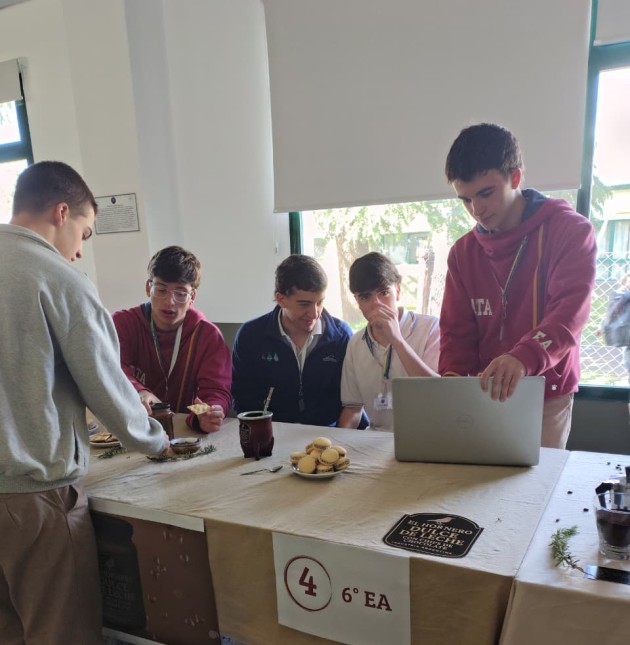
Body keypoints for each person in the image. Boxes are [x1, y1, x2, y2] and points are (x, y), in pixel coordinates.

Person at [0, 161, 171, 645]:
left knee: (11, 636)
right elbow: (112, 396)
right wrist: (156, 442)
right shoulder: (54, 276)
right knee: (59, 640)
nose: (82, 247)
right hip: (32, 497)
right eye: (87, 231)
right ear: (62, 212)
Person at [439, 123, 597, 449]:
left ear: (515, 177)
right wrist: (452, 385)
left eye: (486, 193)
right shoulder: (463, 253)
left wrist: (524, 357)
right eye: (465, 199)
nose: (476, 210)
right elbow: (456, 333)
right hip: (482, 394)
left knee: (534, 493)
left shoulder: (569, 230)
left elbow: (569, 315)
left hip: (546, 392)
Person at [112, 246, 231, 434]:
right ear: (147, 288)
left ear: (192, 297)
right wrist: (139, 391)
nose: (170, 302)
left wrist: (209, 413)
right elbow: (112, 368)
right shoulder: (123, 324)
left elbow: (216, 390)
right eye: (161, 289)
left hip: (187, 430)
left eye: (181, 293)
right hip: (135, 425)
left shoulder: (207, 335)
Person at [231, 254, 352, 426]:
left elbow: (353, 403)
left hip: (329, 435)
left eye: (320, 302)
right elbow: (242, 399)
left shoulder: (341, 336)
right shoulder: (250, 336)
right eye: (304, 304)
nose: (314, 313)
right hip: (273, 433)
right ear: (281, 299)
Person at [338, 252, 440, 431]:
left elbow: (439, 393)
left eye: (384, 292)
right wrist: (340, 445)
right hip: (375, 441)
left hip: (426, 438)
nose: (376, 304)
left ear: (398, 291)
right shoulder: (356, 343)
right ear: (357, 302)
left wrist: (397, 340)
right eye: (365, 297)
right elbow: (353, 409)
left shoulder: (430, 328)